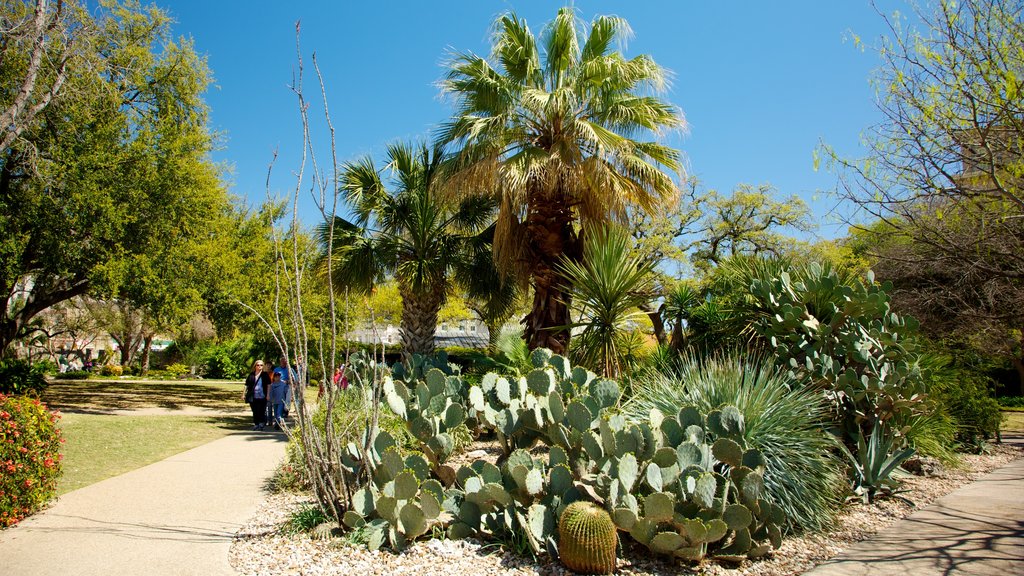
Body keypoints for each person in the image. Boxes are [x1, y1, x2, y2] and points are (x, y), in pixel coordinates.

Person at [243, 360, 271, 431]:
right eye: (258, 365)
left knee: (262, 410)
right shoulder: (251, 374)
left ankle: (261, 424)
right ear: (255, 366)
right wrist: (243, 394)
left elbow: (269, 385)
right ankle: (256, 424)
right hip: (253, 396)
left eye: (261, 365)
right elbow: (246, 385)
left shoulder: (265, 374)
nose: (259, 366)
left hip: (262, 395)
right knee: (255, 410)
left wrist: (268, 394)